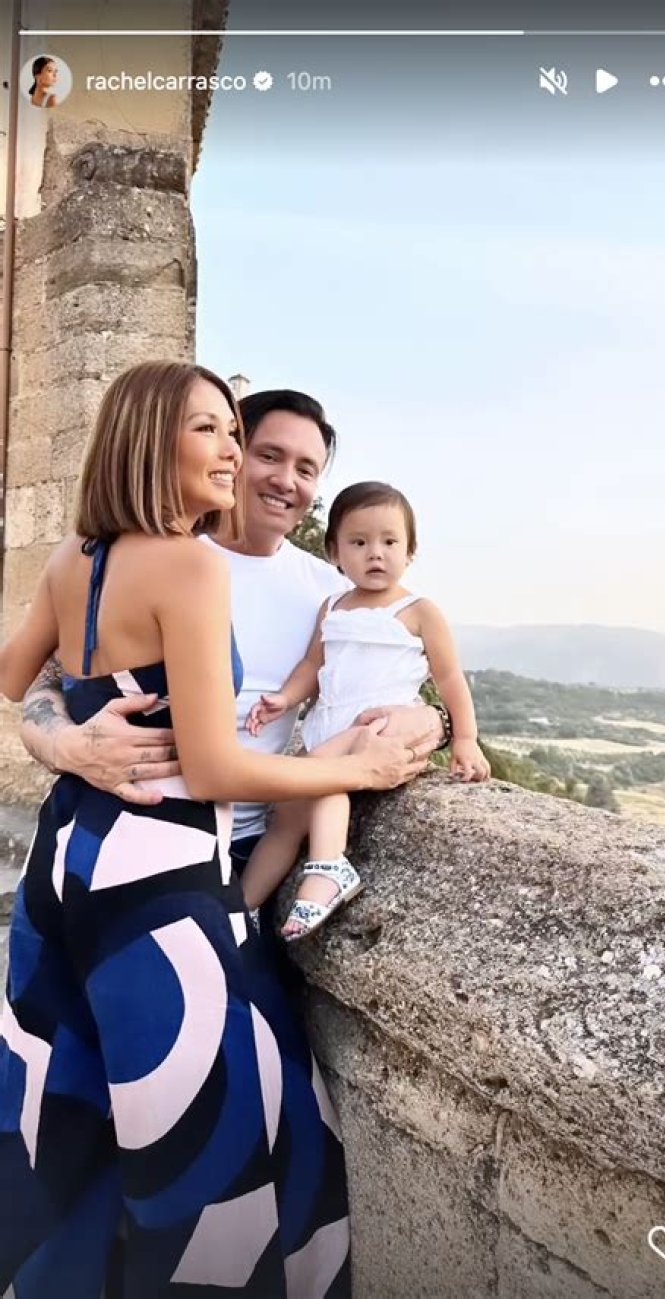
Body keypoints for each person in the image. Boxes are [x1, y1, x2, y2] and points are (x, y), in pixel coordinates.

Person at [0, 361, 425, 1297]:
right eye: (213, 431)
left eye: (235, 432)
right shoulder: (187, 562)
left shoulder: (76, 554)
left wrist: (69, 738)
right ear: (149, 438)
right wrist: (361, 770)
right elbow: (215, 767)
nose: (232, 452)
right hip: (159, 878)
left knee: (76, 1112)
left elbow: (13, 673)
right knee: (198, 1140)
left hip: (69, 858)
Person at [19, 390, 444, 933]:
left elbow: (385, 685)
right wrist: (62, 743)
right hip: (141, 831)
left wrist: (436, 720)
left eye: (306, 469)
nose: (286, 480)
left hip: (255, 845)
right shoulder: (160, 559)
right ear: (235, 455)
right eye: (269, 456)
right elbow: (43, 676)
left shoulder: (334, 595)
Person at [241, 481, 491, 939]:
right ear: (335, 552)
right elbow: (313, 664)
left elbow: (450, 678)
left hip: (383, 729)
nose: (375, 553)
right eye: (359, 543)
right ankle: (242, 911)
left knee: (325, 777)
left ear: (410, 551)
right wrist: (286, 698)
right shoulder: (332, 606)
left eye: (389, 542)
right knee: (285, 819)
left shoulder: (419, 611)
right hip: (331, 727)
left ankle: (329, 868)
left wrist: (465, 739)